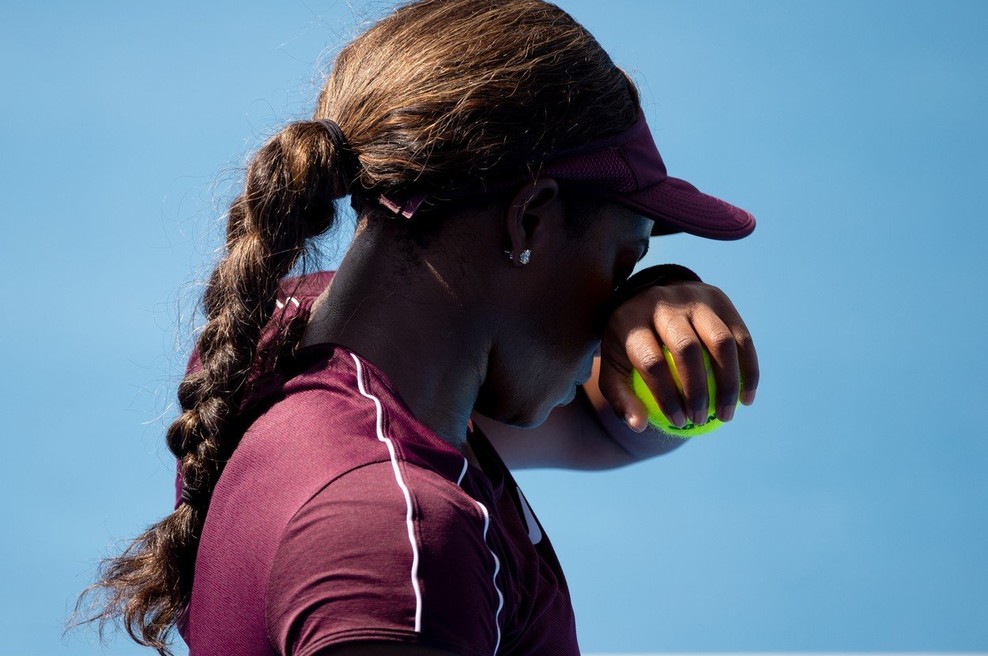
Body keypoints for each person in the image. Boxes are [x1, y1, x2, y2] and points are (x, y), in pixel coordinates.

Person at [82, 1, 759, 654]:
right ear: (529, 220)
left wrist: (658, 296)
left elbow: (619, 428)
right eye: (622, 258)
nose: (605, 312)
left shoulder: (274, 343)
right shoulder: (395, 534)